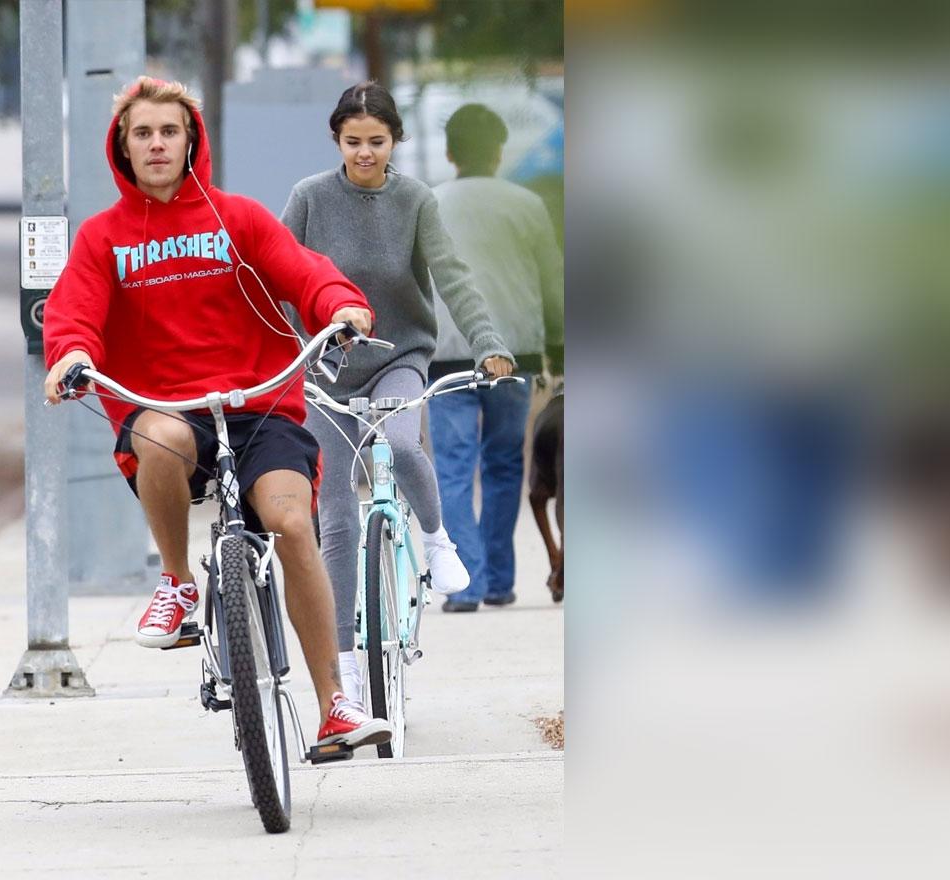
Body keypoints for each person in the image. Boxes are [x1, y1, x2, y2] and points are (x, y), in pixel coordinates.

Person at [42, 76, 389, 750]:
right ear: (123, 146)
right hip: (167, 409)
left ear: (191, 139)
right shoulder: (102, 238)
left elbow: (303, 272)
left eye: (169, 131)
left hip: (260, 405)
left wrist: (341, 307)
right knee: (162, 436)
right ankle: (175, 587)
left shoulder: (240, 218)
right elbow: (75, 313)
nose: (157, 143)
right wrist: (68, 355)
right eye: (142, 133)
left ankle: (334, 706)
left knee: (292, 522)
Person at [281, 82, 513, 699]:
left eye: (376, 142)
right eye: (353, 142)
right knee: (332, 518)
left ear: (396, 142)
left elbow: (452, 276)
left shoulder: (415, 200)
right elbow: (274, 277)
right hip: (325, 368)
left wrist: (488, 341)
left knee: (404, 445)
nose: (364, 153)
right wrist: (268, 352)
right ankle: (347, 672)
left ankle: (436, 540)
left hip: (398, 356)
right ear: (337, 140)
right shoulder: (308, 198)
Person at [427, 104, 564, 612]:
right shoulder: (527, 205)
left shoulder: (431, 202)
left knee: (454, 468)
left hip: (447, 356)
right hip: (516, 352)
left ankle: (466, 584)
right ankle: (501, 579)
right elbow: (552, 285)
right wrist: (556, 348)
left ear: (449, 152)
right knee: (505, 463)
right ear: (500, 152)